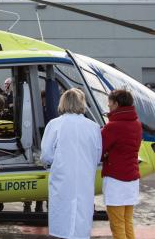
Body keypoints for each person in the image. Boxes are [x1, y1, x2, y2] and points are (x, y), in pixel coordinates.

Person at [40, 88, 102, 239]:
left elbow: (46, 155)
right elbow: (97, 155)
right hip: (84, 180)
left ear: (63, 103)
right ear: (82, 103)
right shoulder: (93, 127)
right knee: (81, 224)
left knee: (62, 222)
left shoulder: (55, 124)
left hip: (62, 181)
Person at [101, 89, 142, 239]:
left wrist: (105, 155)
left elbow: (99, 149)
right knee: (127, 222)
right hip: (132, 179)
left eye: (110, 103)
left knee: (117, 225)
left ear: (117, 104)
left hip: (115, 181)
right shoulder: (137, 124)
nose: (108, 106)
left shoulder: (113, 126)